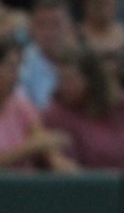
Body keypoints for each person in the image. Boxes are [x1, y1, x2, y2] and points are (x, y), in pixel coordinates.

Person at [0, 35, 76, 171]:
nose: (16, 76)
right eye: (10, 67)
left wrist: (60, 163)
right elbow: (40, 143)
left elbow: (42, 140)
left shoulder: (20, 103)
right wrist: (33, 147)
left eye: (18, 67)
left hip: (23, 187)